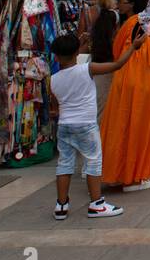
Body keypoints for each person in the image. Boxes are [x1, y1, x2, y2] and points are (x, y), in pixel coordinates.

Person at [50, 32, 140, 219]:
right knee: (93, 161)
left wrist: (78, 46)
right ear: (77, 53)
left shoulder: (53, 80)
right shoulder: (87, 69)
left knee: (64, 164)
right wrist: (134, 46)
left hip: (65, 125)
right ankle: (97, 204)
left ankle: (61, 205)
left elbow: (54, 107)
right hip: (86, 125)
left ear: (55, 56)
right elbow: (117, 65)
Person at [99, 0, 150, 192]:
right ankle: (135, 178)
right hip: (147, 83)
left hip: (123, 79)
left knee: (119, 125)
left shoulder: (133, 21)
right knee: (141, 131)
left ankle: (113, 173)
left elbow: (116, 50)